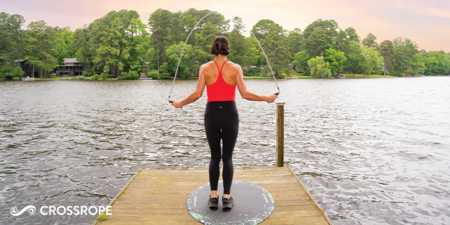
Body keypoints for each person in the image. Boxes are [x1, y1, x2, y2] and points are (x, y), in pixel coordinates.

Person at [171, 36, 277, 210]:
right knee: (227, 157)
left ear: (213, 48)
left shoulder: (205, 68)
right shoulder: (235, 68)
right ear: (228, 48)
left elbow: (198, 94)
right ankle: (226, 198)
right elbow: (244, 94)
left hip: (212, 114)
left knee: (214, 157)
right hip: (229, 113)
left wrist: (180, 103)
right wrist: (267, 98)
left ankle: (214, 196)